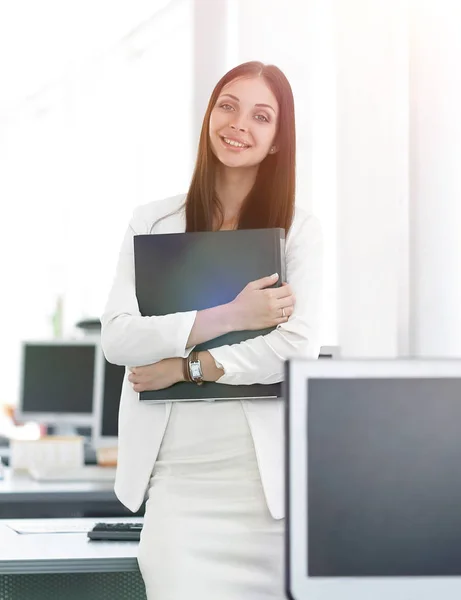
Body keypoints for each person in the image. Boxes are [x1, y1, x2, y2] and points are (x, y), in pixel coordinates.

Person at [101, 60, 323, 600]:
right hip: (178, 483)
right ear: (209, 117)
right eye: (228, 105)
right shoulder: (153, 221)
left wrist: (186, 366)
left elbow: (297, 345)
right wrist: (230, 316)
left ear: (276, 140)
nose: (239, 123)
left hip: (261, 488)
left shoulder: (297, 227)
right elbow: (118, 338)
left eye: (261, 116)